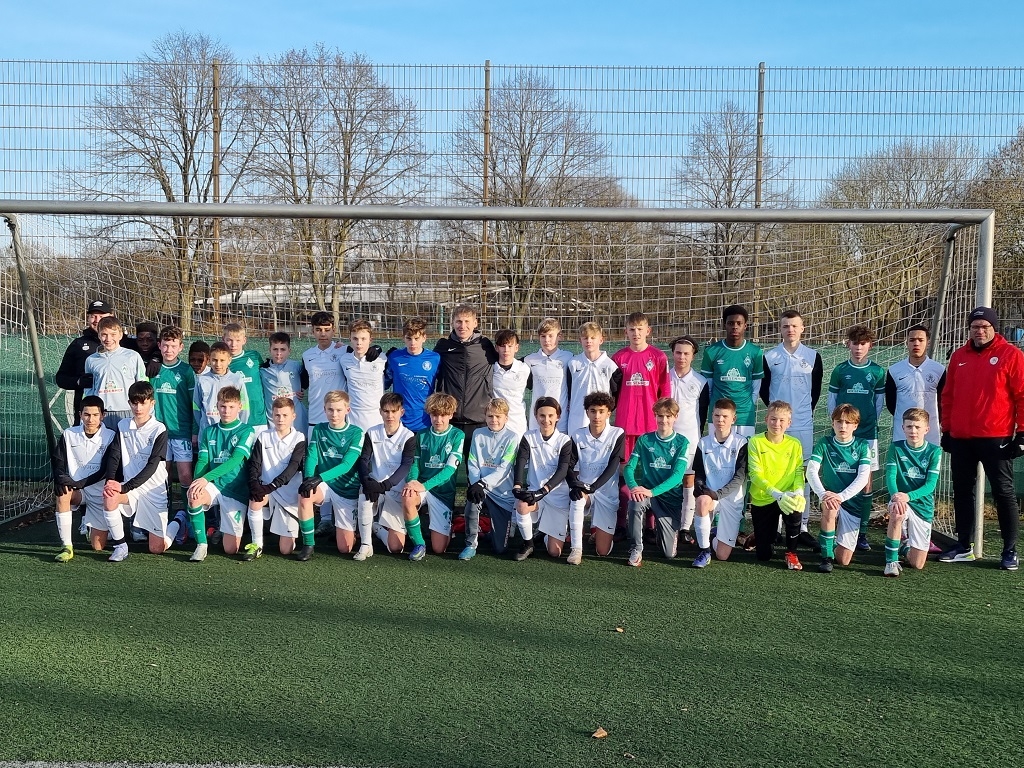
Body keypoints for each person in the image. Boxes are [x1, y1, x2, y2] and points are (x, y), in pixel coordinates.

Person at [939, 306, 1024, 569]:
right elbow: (948, 396)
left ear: (994, 328)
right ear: (970, 329)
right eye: (975, 326)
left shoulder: (1011, 355)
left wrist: (1022, 433)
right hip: (962, 437)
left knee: (1003, 492)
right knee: (962, 491)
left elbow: (1022, 395)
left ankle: (1009, 550)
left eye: (985, 326)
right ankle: (963, 545)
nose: (980, 331)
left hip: (995, 437)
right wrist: (947, 430)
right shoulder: (958, 356)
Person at [761, 309, 823, 544]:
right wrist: (778, 416)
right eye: (786, 326)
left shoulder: (813, 356)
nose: (790, 330)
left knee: (803, 472)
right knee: (776, 471)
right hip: (777, 424)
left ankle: (802, 525)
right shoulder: (770, 356)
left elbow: (815, 391)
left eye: (795, 326)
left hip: (803, 423)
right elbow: (765, 390)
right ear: (780, 329)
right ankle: (776, 527)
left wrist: (801, 412)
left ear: (802, 328)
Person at [101, 382, 179, 562]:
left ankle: (178, 521)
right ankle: (121, 547)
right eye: (134, 403)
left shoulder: (159, 429)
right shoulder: (122, 425)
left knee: (156, 548)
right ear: (129, 403)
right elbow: (115, 455)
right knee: (110, 496)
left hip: (154, 490)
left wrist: (125, 487)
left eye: (143, 403)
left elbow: (152, 466)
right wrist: (111, 481)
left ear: (152, 403)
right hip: (131, 489)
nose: (138, 408)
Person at [827, 325, 886, 551]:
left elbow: (878, 403)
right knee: (839, 477)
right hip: (842, 433)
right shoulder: (840, 370)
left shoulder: (878, 372)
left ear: (870, 345)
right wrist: (838, 425)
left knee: (866, 482)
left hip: (867, 434)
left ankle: (862, 533)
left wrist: (867, 422)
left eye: (863, 343)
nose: (858, 347)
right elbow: (832, 400)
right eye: (855, 343)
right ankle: (835, 529)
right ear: (848, 345)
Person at [186, 385, 257, 562]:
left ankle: (223, 528)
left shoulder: (247, 430)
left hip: (235, 489)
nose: (226, 411)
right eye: (223, 406)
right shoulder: (209, 431)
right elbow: (203, 461)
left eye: (231, 407)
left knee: (230, 549)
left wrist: (205, 478)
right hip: (214, 485)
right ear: (217, 406)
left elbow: (235, 461)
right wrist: (197, 482)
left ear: (239, 407)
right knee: (194, 496)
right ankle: (201, 545)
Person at [295, 390, 364, 561]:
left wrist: (318, 478)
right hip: (325, 484)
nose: (334, 414)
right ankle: (308, 545)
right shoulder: (319, 429)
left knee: (345, 548)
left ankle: (355, 530)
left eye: (339, 410)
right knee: (305, 495)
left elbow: (347, 465)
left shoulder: (356, 432)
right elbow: (312, 456)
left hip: (346, 489)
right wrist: (308, 478)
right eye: (330, 410)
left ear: (347, 410)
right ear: (324, 409)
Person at [623, 397, 691, 567]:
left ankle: (664, 532)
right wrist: (634, 487)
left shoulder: (682, 442)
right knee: (636, 501)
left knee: (668, 554)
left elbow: (677, 476)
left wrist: (652, 492)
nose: (664, 420)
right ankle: (636, 548)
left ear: (675, 417)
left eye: (668, 416)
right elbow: (629, 468)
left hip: (670, 500)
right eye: (660, 416)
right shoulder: (645, 440)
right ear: (655, 416)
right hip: (647, 494)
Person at [806, 405, 873, 573]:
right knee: (830, 508)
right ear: (832, 423)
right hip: (830, 498)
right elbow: (811, 471)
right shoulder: (825, 442)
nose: (843, 426)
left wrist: (841, 497)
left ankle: (829, 542)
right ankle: (826, 556)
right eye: (839, 421)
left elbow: (863, 478)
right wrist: (823, 494)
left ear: (855, 425)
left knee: (843, 560)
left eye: (848, 423)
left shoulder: (862, 445)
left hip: (852, 502)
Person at [51, 395, 117, 563]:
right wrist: (60, 479)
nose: (90, 419)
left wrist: (78, 483)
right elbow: (58, 462)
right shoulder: (69, 434)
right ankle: (67, 546)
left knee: (97, 546)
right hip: (78, 492)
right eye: (86, 414)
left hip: (100, 495)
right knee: (62, 493)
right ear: (80, 414)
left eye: (95, 415)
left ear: (103, 415)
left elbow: (105, 471)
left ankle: (88, 521)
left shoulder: (111, 436)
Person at [402, 393, 465, 560]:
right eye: (434, 415)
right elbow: (415, 464)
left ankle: (447, 527)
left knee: (439, 549)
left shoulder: (457, 435)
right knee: (408, 497)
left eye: (443, 415)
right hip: (422, 487)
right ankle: (419, 544)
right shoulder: (421, 435)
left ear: (451, 415)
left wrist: (424, 486)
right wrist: (413, 481)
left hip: (442, 492)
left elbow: (449, 470)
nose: (438, 420)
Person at [355, 393, 417, 560]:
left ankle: (375, 527)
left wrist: (385, 486)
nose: (390, 415)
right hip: (375, 486)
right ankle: (366, 545)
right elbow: (363, 460)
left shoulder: (409, 436)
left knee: (396, 547)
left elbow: (405, 466)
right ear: (380, 412)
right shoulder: (372, 432)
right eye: (386, 411)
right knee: (364, 495)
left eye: (394, 411)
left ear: (401, 412)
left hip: (396, 490)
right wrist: (367, 481)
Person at [511, 396, 574, 561]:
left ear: (558, 416)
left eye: (551, 415)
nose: (546, 420)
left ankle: (545, 532)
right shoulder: (528, 436)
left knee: (554, 552)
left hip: (557, 496)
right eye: (542, 415)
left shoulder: (565, 440)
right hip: (535, 492)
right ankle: (528, 543)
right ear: (536, 416)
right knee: (522, 505)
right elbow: (521, 460)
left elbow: (562, 470)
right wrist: (517, 485)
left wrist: (543, 491)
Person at [746, 400, 806, 569]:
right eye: (773, 419)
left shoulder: (794, 444)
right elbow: (755, 475)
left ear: (789, 423)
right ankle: (761, 535)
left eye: (781, 420)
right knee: (764, 556)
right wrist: (777, 494)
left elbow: (798, 472)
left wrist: (799, 491)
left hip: (787, 496)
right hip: (764, 498)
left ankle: (791, 553)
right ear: (766, 419)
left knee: (796, 505)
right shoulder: (755, 442)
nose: (776, 424)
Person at [245, 397, 307, 560]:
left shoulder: (299, 438)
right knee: (255, 499)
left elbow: (292, 468)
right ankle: (256, 545)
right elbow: (255, 464)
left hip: (288, 495)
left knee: (285, 550)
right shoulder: (263, 436)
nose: (280, 419)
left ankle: (291, 529)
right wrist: (254, 484)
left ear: (293, 416)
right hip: (267, 491)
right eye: (277, 415)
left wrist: (271, 486)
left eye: (285, 415)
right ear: (272, 415)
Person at [433, 304, 497, 461]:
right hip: (450, 419)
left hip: (478, 420)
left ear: (475, 323)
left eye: (467, 321)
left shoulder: (485, 346)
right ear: (452, 323)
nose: (463, 326)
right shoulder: (443, 346)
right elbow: (423, 361)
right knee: (445, 466)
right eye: (459, 321)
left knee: (476, 468)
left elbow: (507, 359)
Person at [567, 392, 625, 563]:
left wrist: (594, 486)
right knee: (577, 500)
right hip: (586, 490)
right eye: (593, 411)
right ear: (587, 412)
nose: (597, 416)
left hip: (607, 493)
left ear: (609, 413)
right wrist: (575, 484)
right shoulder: (577, 435)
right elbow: (568, 466)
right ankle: (576, 550)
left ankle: (599, 535)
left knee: (602, 551)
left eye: (601, 411)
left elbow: (613, 465)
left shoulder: (618, 433)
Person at [301, 312, 345, 536]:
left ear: (333, 329)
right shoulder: (307, 355)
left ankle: (344, 514)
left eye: (327, 330)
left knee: (338, 465)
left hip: (338, 421)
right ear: (312, 331)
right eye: (318, 330)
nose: (323, 334)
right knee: (318, 467)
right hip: (314, 421)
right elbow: (302, 382)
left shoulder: (344, 351)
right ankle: (325, 519)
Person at [883, 408, 942, 576]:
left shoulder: (934, 451)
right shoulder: (896, 448)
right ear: (903, 428)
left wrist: (908, 496)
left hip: (921, 505)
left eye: (917, 427)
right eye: (909, 426)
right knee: (897, 512)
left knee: (917, 564)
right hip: (900, 499)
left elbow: (930, 485)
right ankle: (891, 562)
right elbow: (891, 477)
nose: (913, 431)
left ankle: (905, 546)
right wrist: (896, 497)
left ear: (926, 429)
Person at [691, 398, 748, 567]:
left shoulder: (741, 443)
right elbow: (699, 474)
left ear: (733, 419)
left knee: (723, 556)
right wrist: (700, 487)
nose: (720, 420)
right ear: (712, 417)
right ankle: (704, 551)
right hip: (710, 496)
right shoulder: (703, 443)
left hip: (731, 499)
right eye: (717, 415)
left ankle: (714, 534)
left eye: (725, 416)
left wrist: (718, 494)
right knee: (702, 501)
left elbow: (739, 478)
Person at [462, 397, 520, 560]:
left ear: (506, 418)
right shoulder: (478, 434)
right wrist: (476, 485)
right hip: (481, 488)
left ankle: (492, 534)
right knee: (472, 501)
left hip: (502, 494)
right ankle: (470, 544)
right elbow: (472, 462)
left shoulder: (512, 437)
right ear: (485, 417)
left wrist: (482, 483)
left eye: (498, 416)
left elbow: (504, 469)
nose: (494, 420)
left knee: (500, 549)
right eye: (490, 416)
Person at [151, 326, 196, 516]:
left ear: (181, 347)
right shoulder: (153, 369)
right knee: (163, 475)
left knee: (185, 475)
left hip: (182, 431)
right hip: (159, 433)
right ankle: (164, 513)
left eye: (173, 346)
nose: (169, 350)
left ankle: (187, 515)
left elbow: (194, 405)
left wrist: (194, 430)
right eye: (165, 345)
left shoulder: (186, 371)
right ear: (159, 345)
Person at [612, 312, 670, 459]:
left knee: (649, 463)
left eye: (640, 329)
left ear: (648, 331)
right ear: (626, 332)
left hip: (650, 421)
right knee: (625, 464)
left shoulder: (659, 357)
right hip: (625, 420)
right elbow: (612, 391)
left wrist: (663, 415)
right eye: (632, 329)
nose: (636, 333)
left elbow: (665, 389)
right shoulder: (618, 358)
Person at [700, 304, 764, 437]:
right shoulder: (711, 351)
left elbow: (756, 387)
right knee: (717, 449)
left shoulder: (756, 352)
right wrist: (715, 407)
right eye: (730, 323)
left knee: (744, 450)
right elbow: (708, 388)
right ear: (725, 325)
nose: (735, 326)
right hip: (719, 415)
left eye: (739, 323)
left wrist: (747, 405)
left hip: (744, 414)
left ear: (745, 326)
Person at [669, 334, 709, 541]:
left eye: (686, 353)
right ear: (672, 353)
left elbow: (702, 413)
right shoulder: (663, 377)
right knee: (666, 481)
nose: (681, 357)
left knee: (688, 482)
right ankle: (667, 525)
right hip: (666, 439)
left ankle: (685, 528)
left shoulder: (701, 382)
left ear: (693, 356)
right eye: (678, 353)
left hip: (690, 439)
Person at [55, 299, 112, 426]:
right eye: (93, 316)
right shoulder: (78, 344)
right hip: (87, 415)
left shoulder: (124, 343)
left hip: (117, 411)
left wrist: (155, 357)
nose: (97, 320)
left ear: (111, 317)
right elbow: (61, 378)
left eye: (101, 316)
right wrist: (79, 382)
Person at [885, 324, 945, 445]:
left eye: (920, 340)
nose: (916, 343)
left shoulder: (939, 370)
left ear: (928, 342)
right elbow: (891, 403)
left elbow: (943, 400)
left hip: (930, 433)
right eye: (912, 340)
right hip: (902, 433)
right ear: (906, 342)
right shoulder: (894, 370)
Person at [84, 316, 147, 429]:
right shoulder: (91, 360)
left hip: (127, 411)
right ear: (99, 335)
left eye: (113, 334)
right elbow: (89, 390)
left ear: (120, 335)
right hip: (102, 413)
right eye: (104, 334)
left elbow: (142, 387)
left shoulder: (133, 356)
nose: (108, 339)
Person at [384, 317, 440, 433]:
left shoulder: (435, 359)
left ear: (424, 338)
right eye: (409, 338)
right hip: (399, 422)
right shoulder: (394, 357)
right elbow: (383, 383)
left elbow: (443, 386)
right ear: (403, 338)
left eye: (416, 338)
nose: (412, 343)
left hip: (425, 421)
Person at [566, 321, 621, 434]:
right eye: (585, 338)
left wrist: (605, 411)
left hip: (600, 420)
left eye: (593, 338)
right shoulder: (573, 363)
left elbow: (616, 395)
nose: (589, 341)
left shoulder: (610, 366)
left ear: (601, 340)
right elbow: (568, 390)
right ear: (580, 340)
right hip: (577, 420)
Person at [524, 318, 573, 432]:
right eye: (543, 336)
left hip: (561, 418)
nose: (547, 340)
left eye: (551, 336)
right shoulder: (529, 360)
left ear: (559, 336)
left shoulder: (569, 358)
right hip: (537, 419)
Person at [339, 319, 386, 432]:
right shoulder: (344, 360)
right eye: (355, 338)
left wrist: (378, 348)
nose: (359, 343)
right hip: (353, 418)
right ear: (350, 339)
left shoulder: (383, 359)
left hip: (377, 417)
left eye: (363, 339)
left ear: (370, 340)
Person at [193, 342, 249, 435]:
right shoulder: (201, 380)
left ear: (229, 360)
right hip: (208, 432)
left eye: (222, 360)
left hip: (231, 433)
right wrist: (204, 425)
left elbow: (244, 407)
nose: (218, 364)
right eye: (214, 360)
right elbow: (196, 408)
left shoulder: (237, 380)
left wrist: (239, 429)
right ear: (209, 359)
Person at [260, 331, 308, 434]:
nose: (279, 353)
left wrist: (301, 389)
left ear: (289, 351)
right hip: (274, 422)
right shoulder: (262, 370)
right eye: (275, 349)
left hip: (297, 422)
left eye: (283, 349)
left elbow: (309, 379)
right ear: (269, 350)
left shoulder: (297, 366)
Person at [223, 322, 267, 428]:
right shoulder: (222, 362)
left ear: (244, 340)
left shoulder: (254, 356)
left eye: (238, 340)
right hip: (236, 420)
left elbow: (268, 374)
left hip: (258, 419)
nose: (233, 344)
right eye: (229, 340)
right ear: (223, 339)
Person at [490, 329, 531, 438]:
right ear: (496, 348)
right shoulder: (490, 370)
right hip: (496, 424)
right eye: (503, 346)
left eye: (510, 346)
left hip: (518, 425)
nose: (506, 350)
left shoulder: (525, 369)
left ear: (516, 348)